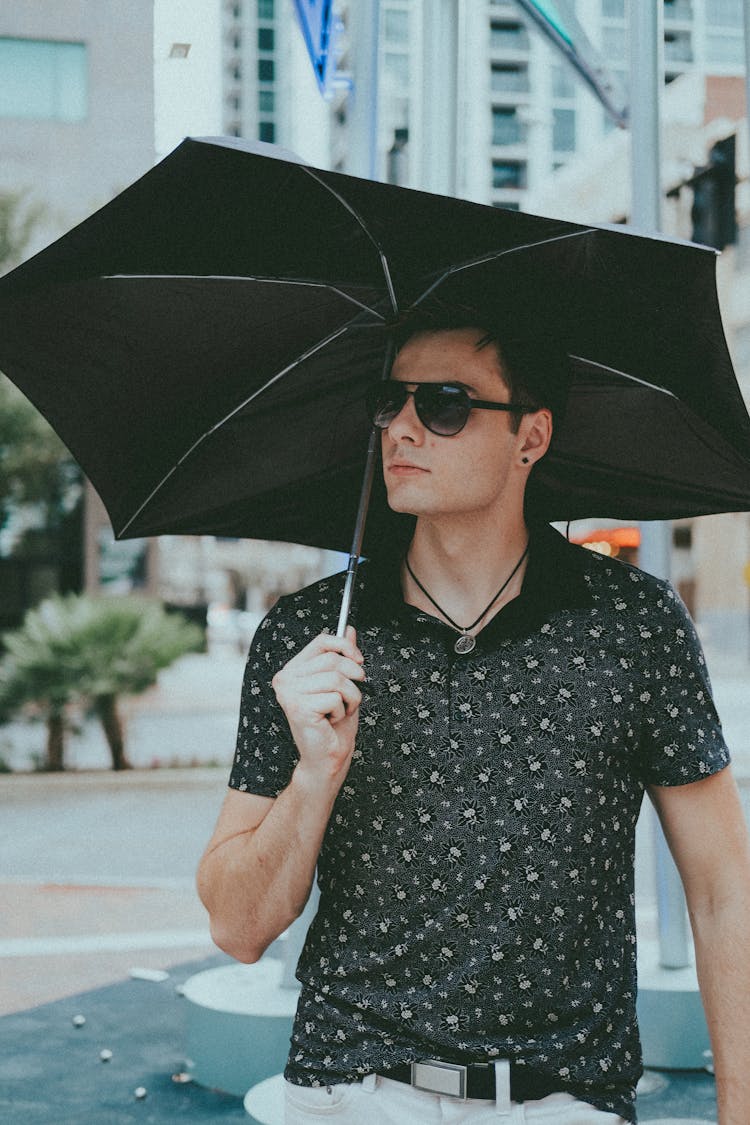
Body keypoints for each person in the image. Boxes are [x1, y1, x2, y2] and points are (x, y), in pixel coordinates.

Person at [197, 313, 750, 1125]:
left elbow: (722, 889)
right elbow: (237, 928)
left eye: (446, 404)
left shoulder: (633, 625)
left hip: (566, 1101)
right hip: (349, 1092)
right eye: (391, 401)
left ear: (531, 435)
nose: (404, 428)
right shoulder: (311, 639)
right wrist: (314, 775)